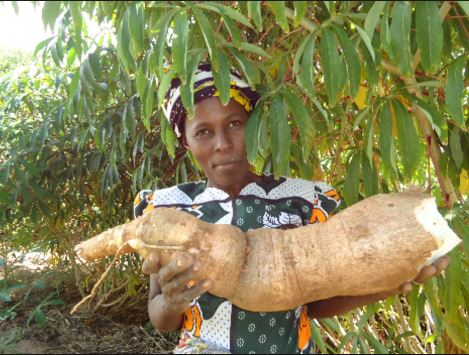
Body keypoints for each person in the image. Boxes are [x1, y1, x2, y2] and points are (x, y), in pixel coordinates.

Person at [134, 63, 449, 354]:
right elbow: (161, 317)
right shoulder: (169, 209)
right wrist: (172, 302)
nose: (222, 143)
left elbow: (314, 303)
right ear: (186, 141)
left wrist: (387, 283)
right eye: (203, 131)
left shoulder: (303, 199)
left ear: (253, 125)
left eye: (234, 124)